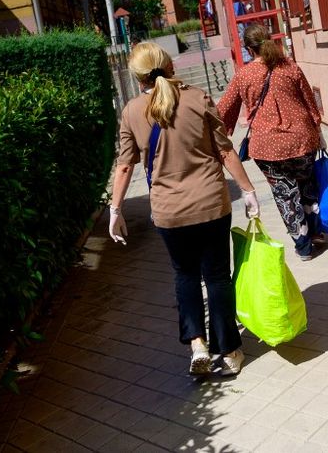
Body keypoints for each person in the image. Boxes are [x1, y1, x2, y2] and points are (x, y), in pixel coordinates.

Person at [108, 42, 259, 376]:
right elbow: (225, 151)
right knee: (217, 276)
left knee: (185, 275)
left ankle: (197, 345)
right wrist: (248, 190)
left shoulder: (132, 111)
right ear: (170, 66)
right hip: (211, 205)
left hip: (169, 213)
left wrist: (115, 210)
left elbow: (124, 166)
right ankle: (231, 351)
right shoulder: (197, 98)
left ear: (138, 78)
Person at [217, 23, 326, 261]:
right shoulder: (290, 67)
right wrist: (319, 132)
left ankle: (303, 245)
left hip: (267, 148)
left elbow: (224, 111)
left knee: (285, 194)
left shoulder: (243, 75)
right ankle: (316, 231)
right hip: (302, 139)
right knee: (307, 185)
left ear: (248, 49)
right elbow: (310, 103)